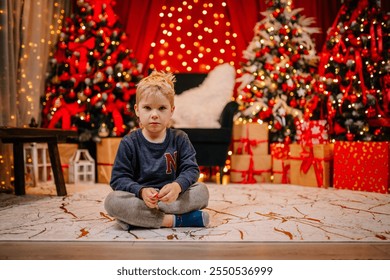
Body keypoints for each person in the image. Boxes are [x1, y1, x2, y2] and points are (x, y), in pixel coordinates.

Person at [104, 70, 210, 230]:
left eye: (161, 108)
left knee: (202, 191)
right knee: (112, 201)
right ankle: (173, 221)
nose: (154, 115)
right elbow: (118, 179)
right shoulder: (129, 142)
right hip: (141, 199)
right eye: (147, 108)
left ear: (171, 111)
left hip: (172, 198)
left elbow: (191, 169)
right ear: (137, 110)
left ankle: (137, 219)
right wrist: (140, 191)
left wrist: (177, 186)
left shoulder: (180, 138)